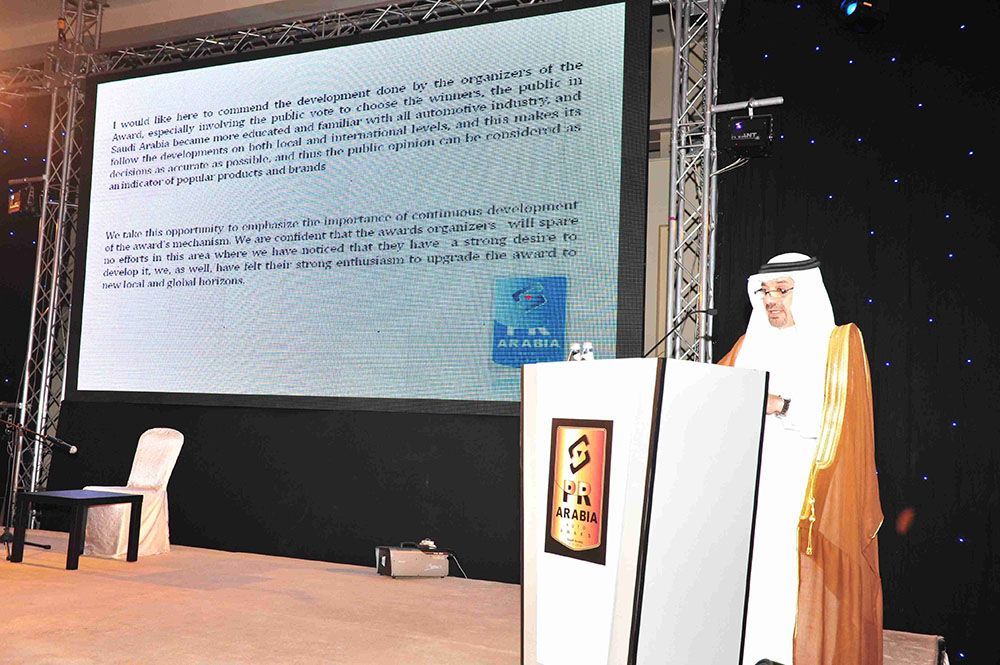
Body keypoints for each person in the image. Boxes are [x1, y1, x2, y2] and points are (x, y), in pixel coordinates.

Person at [718, 252, 883, 665]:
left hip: (805, 481)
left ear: (805, 292)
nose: (771, 299)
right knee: (753, 570)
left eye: (782, 290)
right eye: (765, 291)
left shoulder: (838, 344)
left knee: (788, 571)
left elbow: (841, 416)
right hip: (751, 478)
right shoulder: (746, 346)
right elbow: (714, 397)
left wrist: (778, 404)